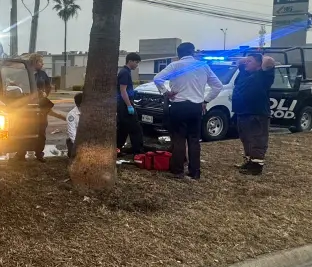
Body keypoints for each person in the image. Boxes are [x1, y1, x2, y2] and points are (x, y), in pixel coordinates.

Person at [153, 42, 222, 180]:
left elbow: (157, 78)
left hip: (179, 106)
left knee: (178, 139)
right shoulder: (203, 66)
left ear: (179, 54)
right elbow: (218, 86)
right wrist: (206, 100)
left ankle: (177, 171)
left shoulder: (175, 65)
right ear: (193, 52)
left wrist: (166, 92)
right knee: (194, 140)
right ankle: (195, 172)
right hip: (196, 106)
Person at [233, 53, 276, 175]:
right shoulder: (245, 73)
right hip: (242, 112)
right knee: (246, 139)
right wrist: (247, 58)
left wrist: (261, 57)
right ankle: (249, 161)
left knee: (258, 139)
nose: (246, 63)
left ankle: (256, 166)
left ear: (259, 64)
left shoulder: (264, 76)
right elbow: (240, 63)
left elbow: (269, 61)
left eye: (250, 61)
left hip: (257, 113)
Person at [117, 52, 144, 155]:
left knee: (123, 129)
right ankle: (138, 152)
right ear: (130, 61)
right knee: (135, 128)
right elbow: (123, 90)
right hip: (125, 105)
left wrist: (133, 93)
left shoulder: (125, 71)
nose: (137, 65)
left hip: (123, 104)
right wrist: (129, 105)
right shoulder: (124, 72)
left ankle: (117, 149)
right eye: (136, 62)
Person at [31, 53, 52, 162]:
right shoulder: (26, 73)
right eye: (40, 62)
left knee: (41, 129)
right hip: (28, 105)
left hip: (41, 105)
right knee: (25, 128)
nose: (43, 64)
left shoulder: (43, 74)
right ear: (34, 62)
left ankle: (39, 153)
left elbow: (49, 86)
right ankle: (21, 153)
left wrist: (45, 94)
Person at [66, 92, 83, 159]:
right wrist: (79, 145)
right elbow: (72, 132)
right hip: (76, 141)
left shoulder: (89, 112)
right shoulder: (72, 115)